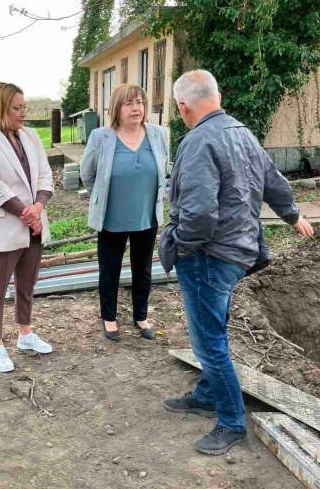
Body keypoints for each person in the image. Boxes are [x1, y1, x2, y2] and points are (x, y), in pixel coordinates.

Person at [159, 70, 314, 455]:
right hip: (238, 251)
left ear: (183, 107)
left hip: (208, 255)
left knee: (209, 342)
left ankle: (231, 422)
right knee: (215, 329)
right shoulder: (241, 132)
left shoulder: (197, 142)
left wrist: (180, 245)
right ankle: (208, 393)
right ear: (218, 94)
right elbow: (274, 181)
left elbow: (198, 212)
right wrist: (293, 215)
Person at [0, 82, 54, 373]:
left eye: (24, 108)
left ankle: (25, 334)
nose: (23, 113)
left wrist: (38, 208)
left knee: (27, 285)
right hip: (4, 224)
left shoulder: (30, 136)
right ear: (0, 107)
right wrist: (24, 212)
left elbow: (45, 175)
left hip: (34, 223)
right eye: (17, 108)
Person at [80, 83, 168, 342]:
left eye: (140, 102)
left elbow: (163, 170)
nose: (136, 108)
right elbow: (87, 174)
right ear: (117, 108)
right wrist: (101, 196)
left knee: (143, 269)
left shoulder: (158, 134)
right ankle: (109, 319)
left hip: (146, 215)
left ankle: (141, 316)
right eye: (129, 103)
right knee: (110, 269)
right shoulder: (101, 137)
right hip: (111, 217)